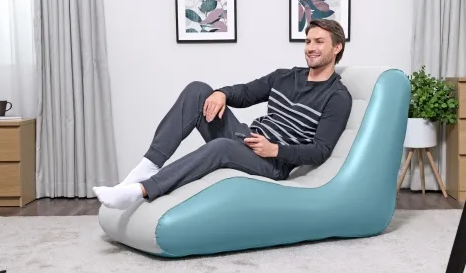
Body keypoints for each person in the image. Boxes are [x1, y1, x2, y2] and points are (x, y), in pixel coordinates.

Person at [93, 19, 353, 210]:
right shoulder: (285, 76)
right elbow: (246, 93)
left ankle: (141, 190)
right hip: (246, 138)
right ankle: (147, 167)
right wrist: (221, 93)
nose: (310, 47)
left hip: (273, 162)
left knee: (222, 147)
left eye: (319, 42)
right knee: (198, 91)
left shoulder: (337, 97)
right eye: (308, 41)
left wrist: (275, 150)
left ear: (337, 48)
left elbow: (320, 150)